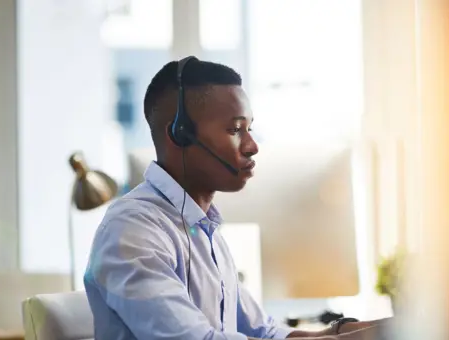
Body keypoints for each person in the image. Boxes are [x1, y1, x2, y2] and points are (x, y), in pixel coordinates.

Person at [84, 57, 389, 339]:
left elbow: (267, 333)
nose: (252, 145)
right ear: (179, 134)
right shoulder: (132, 231)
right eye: (235, 129)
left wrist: (371, 330)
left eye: (249, 128)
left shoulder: (204, 231)